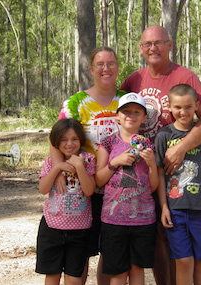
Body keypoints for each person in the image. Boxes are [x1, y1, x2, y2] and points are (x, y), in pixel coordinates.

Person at [120, 25, 201, 284]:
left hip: (177, 172)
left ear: (170, 45)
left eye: (159, 43)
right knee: (152, 236)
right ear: (141, 49)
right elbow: (117, 114)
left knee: (173, 235)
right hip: (139, 170)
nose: (153, 48)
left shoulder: (185, 76)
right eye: (147, 44)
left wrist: (181, 147)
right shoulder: (133, 80)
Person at [51, 46, 127, 284]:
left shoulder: (127, 100)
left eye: (111, 63)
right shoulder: (76, 103)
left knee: (111, 251)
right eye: (100, 64)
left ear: (117, 67)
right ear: (91, 69)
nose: (106, 68)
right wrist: (59, 171)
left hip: (120, 189)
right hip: (84, 189)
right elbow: (56, 139)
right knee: (81, 251)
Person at [155, 84, 201, 285]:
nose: (183, 112)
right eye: (177, 107)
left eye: (188, 107)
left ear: (197, 106)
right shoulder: (164, 136)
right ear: (168, 107)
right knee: (183, 261)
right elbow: (160, 175)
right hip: (175, 210)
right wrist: (164, 207)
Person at [96, 92, 159, 285]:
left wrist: (152, 165)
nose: (130, 115)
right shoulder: (108, 143)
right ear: (117, 116)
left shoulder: (148, 145)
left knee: (137, 270)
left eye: (137, 112)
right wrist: (116, 162)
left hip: (143, 219)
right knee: (118, 273)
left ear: (144, 117)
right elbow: (98, 180)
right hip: (113, 220)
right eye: (125, 111)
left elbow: (154, 186)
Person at [36, 118, 96, 285]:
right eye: (64, 139)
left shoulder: (88, 159)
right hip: (52, 228)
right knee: (52, 275)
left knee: (74, 278)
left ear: (81, 140)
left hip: (79, 229)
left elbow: (89, 190)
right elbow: (43, 189)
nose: (69, 144)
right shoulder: (51, 161)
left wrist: (80, 167)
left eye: (74, 139)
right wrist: (57, 168)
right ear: (56, 141)